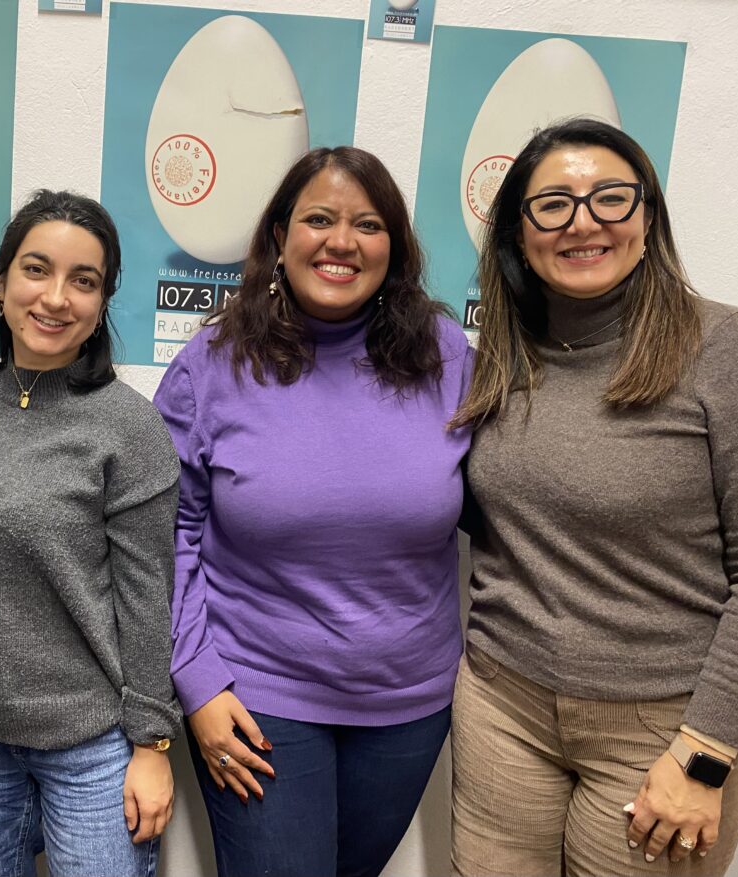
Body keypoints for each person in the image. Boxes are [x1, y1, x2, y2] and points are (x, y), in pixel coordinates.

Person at [449, 118, 738, 877]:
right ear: (520, 234)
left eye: (610, 198)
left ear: (647, 218)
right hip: (501, 708)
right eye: (553, 203)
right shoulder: (502, 358)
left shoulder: (730, 349)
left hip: (662, 729)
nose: (584, 222)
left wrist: (706, 753)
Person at [153, 146, 473, 877]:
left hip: (408, 706)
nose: (341, 241)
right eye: (319, 219)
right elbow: (166, 537)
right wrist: (196, 680)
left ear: (394, 248)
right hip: (255, 696)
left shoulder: (447, 355)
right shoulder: (214, 362)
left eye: (368, 224)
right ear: (280, 236)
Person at [0, 190, 182, 877]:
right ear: (1, 283)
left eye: (83, 281)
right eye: (36, 269)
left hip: (92, 744)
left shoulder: (129, 428)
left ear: (102, 303)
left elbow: (148, 595)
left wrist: (152, 744)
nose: (56, 298)